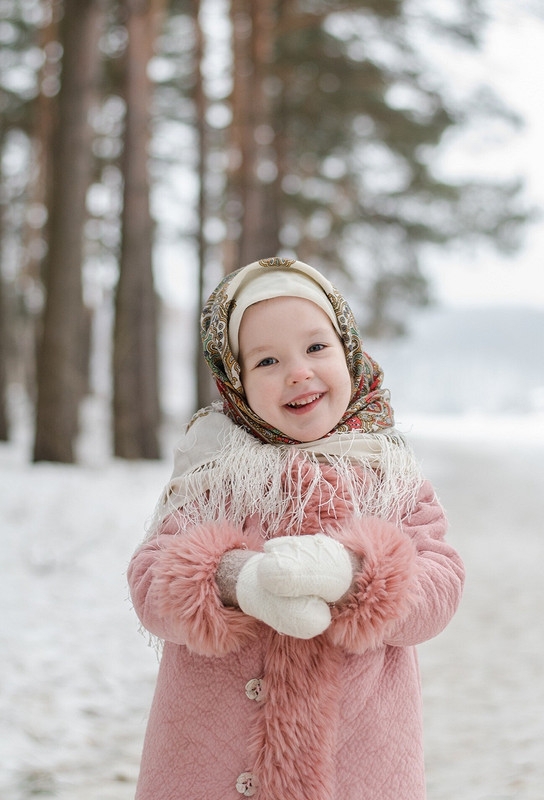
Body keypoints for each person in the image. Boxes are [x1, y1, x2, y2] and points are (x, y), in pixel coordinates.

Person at [127, 256, 464, 800]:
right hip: (211, 766)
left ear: (348, 349)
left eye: (315, 348)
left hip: (356, 768)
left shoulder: (388, 473)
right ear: (235, 380)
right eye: (266, 361)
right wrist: (239, 582)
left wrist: (351, 576)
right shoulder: (215, 472)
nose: (298, 372)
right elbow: (150, 578)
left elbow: (440, 583)